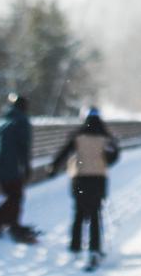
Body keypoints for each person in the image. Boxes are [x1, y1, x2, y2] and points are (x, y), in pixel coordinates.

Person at [49, 106, 121, 270]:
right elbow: (113, 157)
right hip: (98, 179)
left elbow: (64, 152)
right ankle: (94, 250)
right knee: (96, 214)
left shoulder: (78, 135)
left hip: (79, 179)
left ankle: (75, 248)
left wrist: (53, 167)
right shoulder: (106, 136)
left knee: (79, 213)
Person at [0, 92, 36, 243]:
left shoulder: (4, 120)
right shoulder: (21, 121)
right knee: (15, 196)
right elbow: (23, 146)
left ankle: (11, 224)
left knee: (13, 195)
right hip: (11, 166)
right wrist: (26, 166)